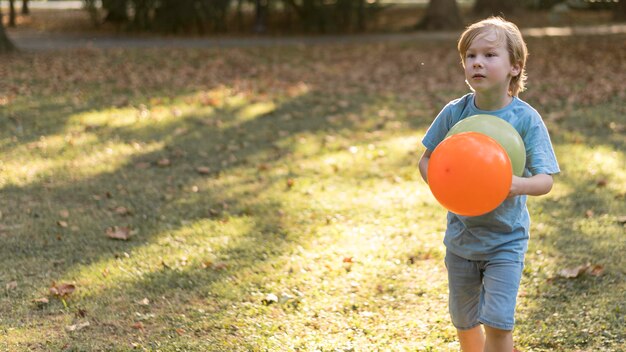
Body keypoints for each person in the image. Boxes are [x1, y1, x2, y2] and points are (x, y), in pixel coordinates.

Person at [417, 17, 560, 352]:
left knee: (498, 322)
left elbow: (545, 180)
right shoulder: (455, 113)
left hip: (505, 241)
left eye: (489, 55)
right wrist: (442, 184)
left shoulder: (525, 119)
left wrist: (515, 185)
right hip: (461, 240)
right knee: (464, 322)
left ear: (515, 67)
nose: (477, 62)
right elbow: (427, 160)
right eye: (470, 56)